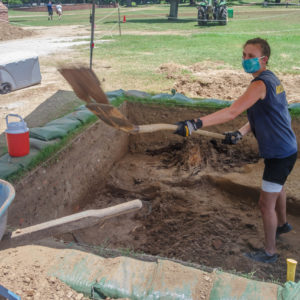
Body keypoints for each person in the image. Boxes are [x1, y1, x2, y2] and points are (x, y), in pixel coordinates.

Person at [175, 37, 298, 264]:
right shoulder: (271, 80)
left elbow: (232, 112)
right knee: (277, 187)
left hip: (280, 154)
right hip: (286, 150)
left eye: (251, 56)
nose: (245, 60)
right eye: (244, 55)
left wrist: (195, 124)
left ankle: (270, 252)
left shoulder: (259, 84)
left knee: (265, 204)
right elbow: (261, 115)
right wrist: (240, 133)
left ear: (264, 59)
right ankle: (282, 225)